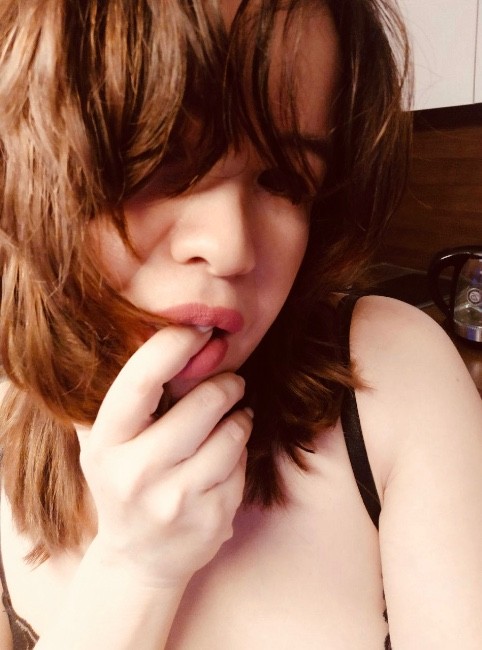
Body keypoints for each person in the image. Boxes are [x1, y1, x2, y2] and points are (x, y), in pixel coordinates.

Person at [0, 0, 481, 647]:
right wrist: (134, 570)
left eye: (285, 179)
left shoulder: (392, 376)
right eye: (162, 156)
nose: (231, 247)